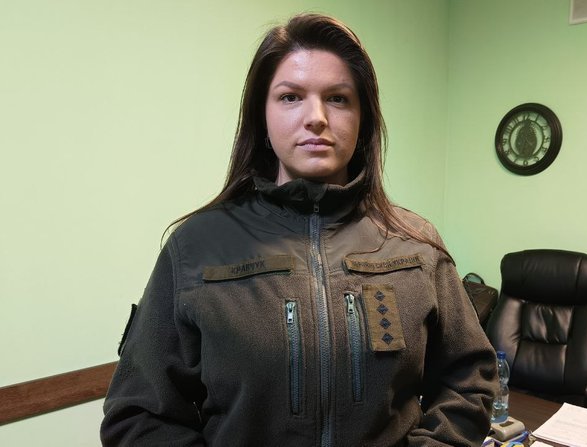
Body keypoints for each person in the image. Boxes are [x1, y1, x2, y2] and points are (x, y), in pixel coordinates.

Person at [101, 13, 497, 446]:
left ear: (363, 118)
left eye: (338, 98)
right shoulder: (196, 247)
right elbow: (138, 415)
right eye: (290, 97)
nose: (316, 117)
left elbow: (469, 380)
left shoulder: (415, 244)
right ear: (262, 116)